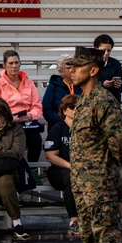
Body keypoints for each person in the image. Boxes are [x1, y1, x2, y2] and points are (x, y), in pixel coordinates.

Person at [63, 46, 122, 243]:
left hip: (99, 178)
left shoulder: (103, 100)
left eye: (77, 67)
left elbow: (121, 142)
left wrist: (104, 166)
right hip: (82, 179)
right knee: (89, 230)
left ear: (93, 70)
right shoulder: (83, 101)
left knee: (105, 229)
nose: (72, 70)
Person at [0, 50, 43, 161]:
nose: (14, 66)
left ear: (20, 63)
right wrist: (9, 118)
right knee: (10, 141)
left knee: (36, 138)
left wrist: (30, 115)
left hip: (27, 121)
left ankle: (32, 170)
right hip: (8, 123)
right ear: (4, 65)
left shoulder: (29, 83)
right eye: (10, 63)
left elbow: (37, 106)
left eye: (16, 63)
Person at [0, 98, 28, 240]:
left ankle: (17, 223)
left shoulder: (16, 129)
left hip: (8, 170)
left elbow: (16, 153)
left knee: (5, 182)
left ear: (4, 116)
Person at [45, 94, 78, 235]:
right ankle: (74, 221)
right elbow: (50, 156)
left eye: (79, 107)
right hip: (59, 170)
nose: (76, 109)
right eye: (72, 107)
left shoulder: (86, 129)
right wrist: (71, 166)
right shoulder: (57, 129)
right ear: (64, 110)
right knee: (71, 178)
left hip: (82, 170)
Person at [42, 54, 81, 127]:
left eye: (74, 67)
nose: (72, 70)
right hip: (59, 125)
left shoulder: (81, 84)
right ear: (61, 71)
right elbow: (47, 109)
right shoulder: (54, 86)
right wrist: (64, 121)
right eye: (69, 68)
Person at [94, 34, 122, 104]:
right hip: (95, 102)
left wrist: (118, 85)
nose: (106, 53)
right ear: (96, 49)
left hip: (112, 103)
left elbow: (121, 89)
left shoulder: (116, 64)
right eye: (103, 50)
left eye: (109, 50)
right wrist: (102, 84)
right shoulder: (90, 64)